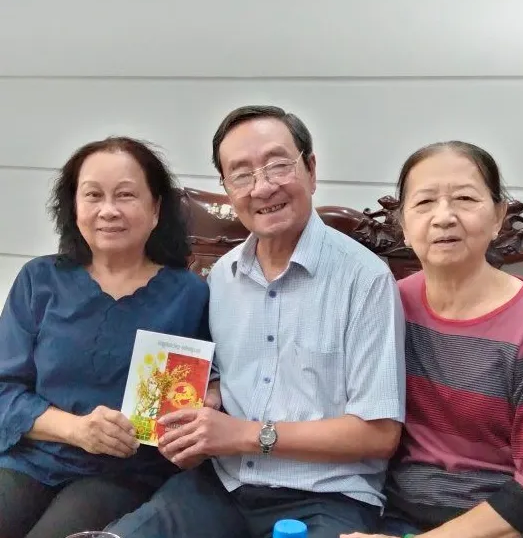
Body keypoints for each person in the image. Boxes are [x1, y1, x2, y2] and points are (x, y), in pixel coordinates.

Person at [107, 105, 406, 538]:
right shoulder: (221, 278)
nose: (262, 187)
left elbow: (378, 435)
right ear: (228, 189)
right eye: (242, 174)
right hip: (222, 486)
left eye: (278, 165)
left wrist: (245, 435)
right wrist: (202, 413)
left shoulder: (366, 279)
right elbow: (219, 380)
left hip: (328, 497)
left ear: (311, 169)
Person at [341, 141, 523, 538]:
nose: (444, 218)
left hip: (509, 521)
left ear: (499, 216)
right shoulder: (389, 304)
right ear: (403, 225)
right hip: (403, 512)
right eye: (424, 202)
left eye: (465, 199)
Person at [0, 137, 213, 538]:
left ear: (156, 209)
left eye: (126, 195)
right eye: (93, 195)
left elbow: (208, 387)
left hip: (123, 472)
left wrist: (207, 399)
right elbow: (4, 389)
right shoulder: (38, 280)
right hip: (31, 460)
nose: (108, 210)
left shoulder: (190, 294)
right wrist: (76, 429)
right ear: (74, 207)